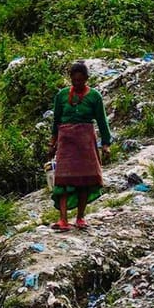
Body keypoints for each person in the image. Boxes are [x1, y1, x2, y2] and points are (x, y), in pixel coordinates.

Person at [50, 61, 113, 231]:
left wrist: (106, 143)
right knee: (63, 181)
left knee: (84, 180)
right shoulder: (62, 96)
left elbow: (102, 121)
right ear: (70, 78)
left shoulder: (94, 97)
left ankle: (80, 217)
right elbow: (56, 120)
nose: (77, 83)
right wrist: (53, 140)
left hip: (85, 141)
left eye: (80, 80)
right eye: (74, 80)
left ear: (86, 78)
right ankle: (63, 219)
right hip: (66, 141)